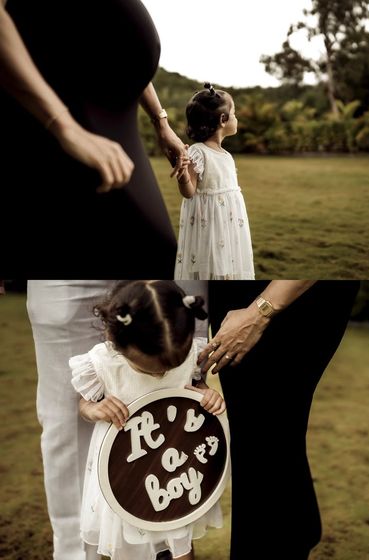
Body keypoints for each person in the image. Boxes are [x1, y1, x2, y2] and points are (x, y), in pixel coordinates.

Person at [0, 0, 186, 276]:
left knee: (155, 252)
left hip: (118, 127)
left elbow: (114, 41)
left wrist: (161, 122)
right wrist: (65, 126)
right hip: (63, 120)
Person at [199, 280, 360, 560]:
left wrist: (260, 311)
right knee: (263, 437)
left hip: (281, 297)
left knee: (263, 441)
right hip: (240, 296)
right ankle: (298, 529)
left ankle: (289, 536)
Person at [69, 280, 225, 560]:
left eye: (170, 367)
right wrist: (95, 409)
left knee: (179, 536)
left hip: (175, 467)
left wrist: (208, 397)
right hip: (123, 471)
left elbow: (196, 390)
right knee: (125, 540)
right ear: (117, 341)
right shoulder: (103, 363)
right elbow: (84, 403)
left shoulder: (189, 352)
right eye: (149, 369)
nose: (160, 375)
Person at [173, 83, 254, 280]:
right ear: (223, 119)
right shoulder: (198, 151)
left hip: (228, 223)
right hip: (209, 225)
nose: (237, 118)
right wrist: (183, 176)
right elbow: (189, 191)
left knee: (227, 264)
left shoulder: (225, 154)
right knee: (210, 267)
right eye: (234, 113)